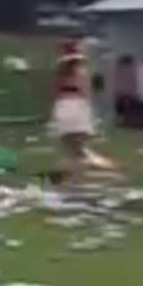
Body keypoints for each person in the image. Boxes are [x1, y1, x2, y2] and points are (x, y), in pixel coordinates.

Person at [50, 43, 96, 183]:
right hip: (78, 106)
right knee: (80, 149)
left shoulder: (59, 73)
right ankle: (80, 177)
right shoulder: (82, 72)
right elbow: (86, 92)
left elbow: (55, 92)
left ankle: (71, 177)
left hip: (64, 106)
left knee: (70, 150)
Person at [113, 55, 138, 127]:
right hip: (128, 92)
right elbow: (133, 81)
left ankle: (120, 122)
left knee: (120, 110)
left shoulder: (118, 68)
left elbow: (116, 80)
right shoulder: (131, 69)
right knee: (129, 109)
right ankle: (127, 122)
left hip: (120, 92)